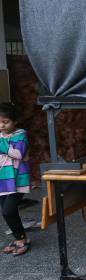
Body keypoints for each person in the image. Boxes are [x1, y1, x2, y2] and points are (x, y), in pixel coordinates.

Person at [0, 103, 31, 256]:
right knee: (7, 211)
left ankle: (22, 239)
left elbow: (18, 154)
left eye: (5, 122)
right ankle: (18, 237)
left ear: (15, 121)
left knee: (8, 211)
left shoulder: (20, 135)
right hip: (3, 181)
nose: (1, 125)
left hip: (18, 180)